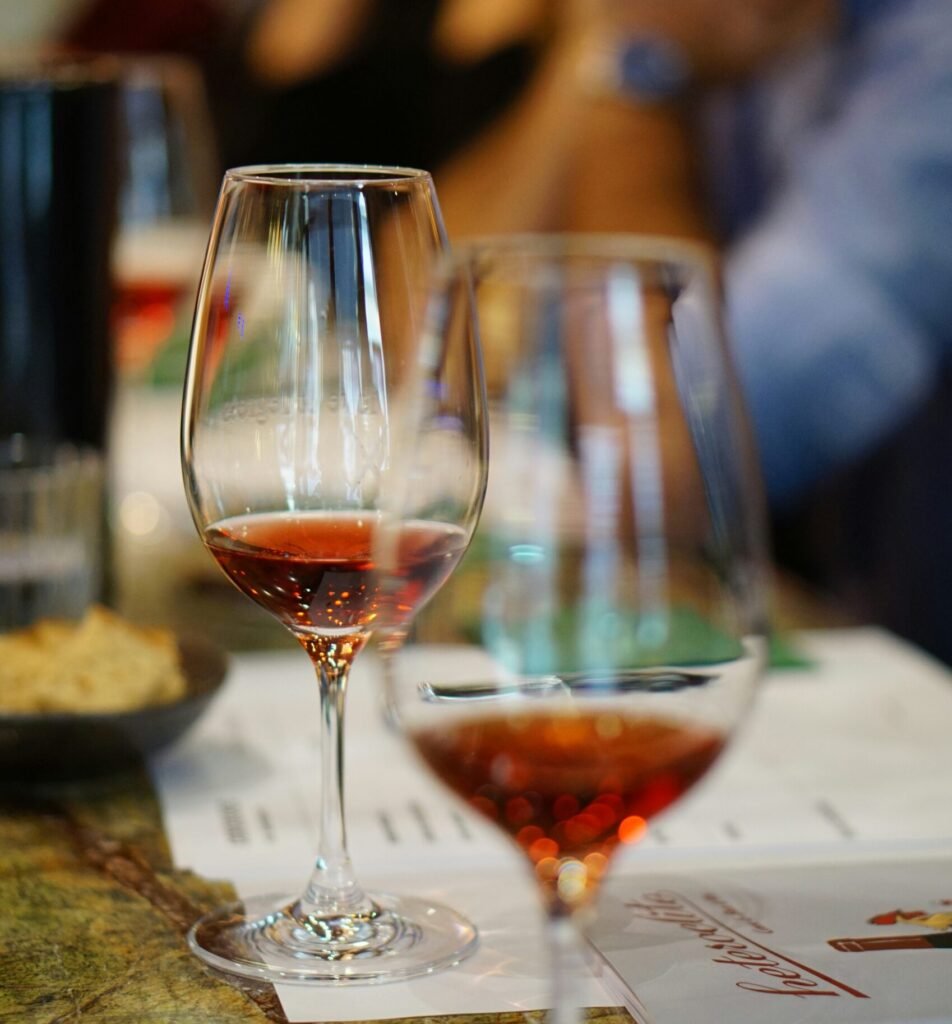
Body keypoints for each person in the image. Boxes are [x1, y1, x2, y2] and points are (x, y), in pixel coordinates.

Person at [435, 0, 952, 661]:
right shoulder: (748, 48)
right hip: (856, 653)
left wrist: (631, 82)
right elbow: (424, 322)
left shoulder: (930, 61)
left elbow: (664, 471)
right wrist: (606, 61)